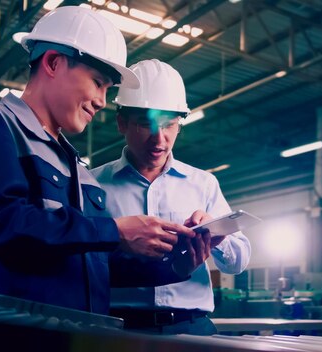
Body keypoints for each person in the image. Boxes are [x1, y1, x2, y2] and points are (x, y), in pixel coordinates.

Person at [0, 6, 209, 316]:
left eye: (107, 89)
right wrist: (114, 232)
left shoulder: (79, 169)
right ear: (53, 62)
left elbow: (92, 269)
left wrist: (179, 265)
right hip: (4, 336)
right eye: (97, 82)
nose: (102, 101)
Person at [91, 59, 251, 335]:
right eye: (145, 124)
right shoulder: (92, 184)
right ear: (122, 123)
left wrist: (217, 236)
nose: (160, 139)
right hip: (118, 331)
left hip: (190, 328)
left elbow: (238, 262)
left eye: (169, 125)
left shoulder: (203, 184)